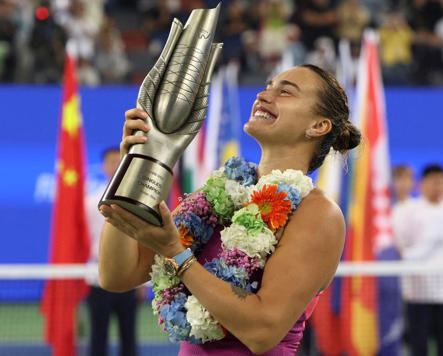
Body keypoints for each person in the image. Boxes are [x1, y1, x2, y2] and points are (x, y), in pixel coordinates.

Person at [98, 64, 361, 355]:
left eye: (285, 91)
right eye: (268, 85)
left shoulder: (319, 214)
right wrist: (134, 166)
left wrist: (177, 253)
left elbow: (263, 331)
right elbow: (116, 275)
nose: (263, 94)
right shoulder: (219, 195)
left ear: (318, 126)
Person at [85, 148, 144, 356]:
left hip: (128, 276)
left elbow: (140, 239)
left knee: (128, 336)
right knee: (97, 336)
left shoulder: (137, 201)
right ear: (103, 166)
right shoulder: (90, 202)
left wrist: (141, 282)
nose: (115, 165)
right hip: (96, 277)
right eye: (111, 161)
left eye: (119, 161)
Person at [392, 164, 443, 356]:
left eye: (441, 181)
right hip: (418, 292)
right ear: (423, 184)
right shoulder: (410, 210)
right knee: (419, 345)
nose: (437, 186)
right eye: (433, 181)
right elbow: (402, 247)